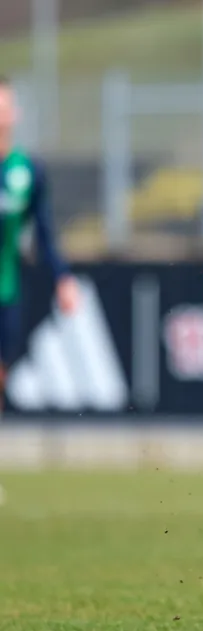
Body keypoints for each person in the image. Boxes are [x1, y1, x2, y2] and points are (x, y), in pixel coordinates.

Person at [0, 76, 79, 414]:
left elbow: (44, 233)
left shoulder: (27, 171)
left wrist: (63, 278)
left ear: (15, 113)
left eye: (4, 106)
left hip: (6, 290)